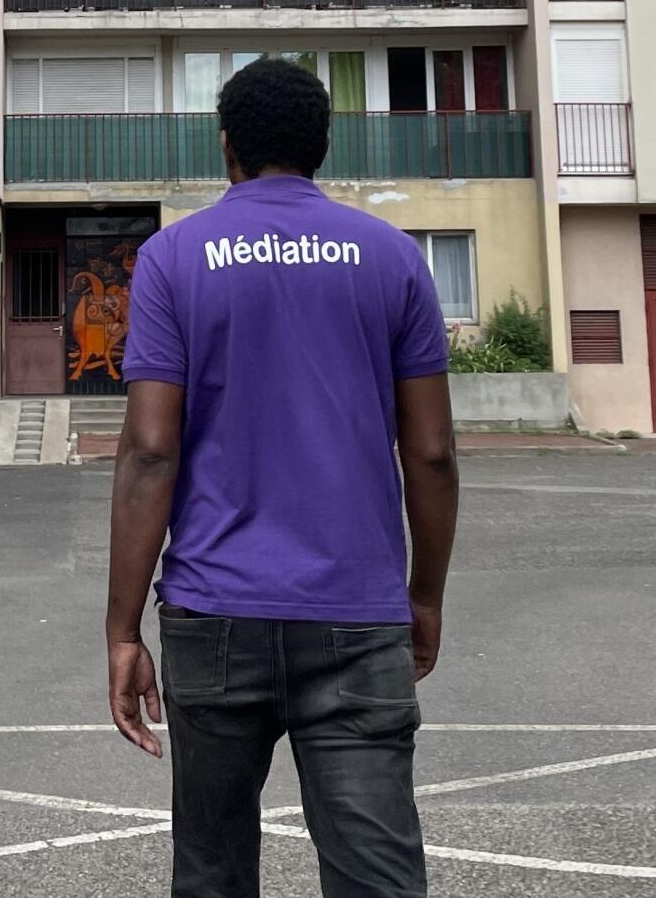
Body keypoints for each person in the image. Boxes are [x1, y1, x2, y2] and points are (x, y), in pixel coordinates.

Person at [105, 58, 460, 897]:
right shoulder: (393, 257)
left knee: (214, 871)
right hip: (357, 613)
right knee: (377, 878)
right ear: (322, 146)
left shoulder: (171, 258)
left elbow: (151, 450)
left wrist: (124, 630)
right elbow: (434, 452)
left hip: (213, 613)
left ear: (226, 147)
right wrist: (426, 596)